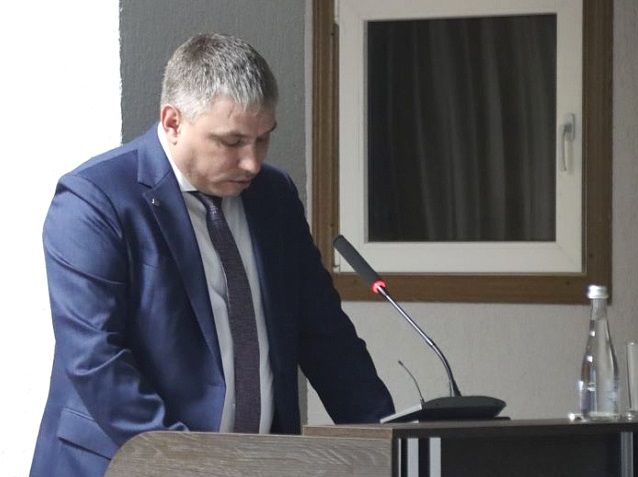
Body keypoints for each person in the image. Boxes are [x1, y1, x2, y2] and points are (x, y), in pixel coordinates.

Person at [30, 32, 394, 477]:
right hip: (123, 466)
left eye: (263, 140)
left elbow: (325, 335)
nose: (252, 162)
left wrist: (390, 443)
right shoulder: (94, 199)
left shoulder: (274, 195)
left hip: (256, 465)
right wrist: (189, 464)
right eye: (232, 141)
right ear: (172, 122)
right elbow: (96, 357)